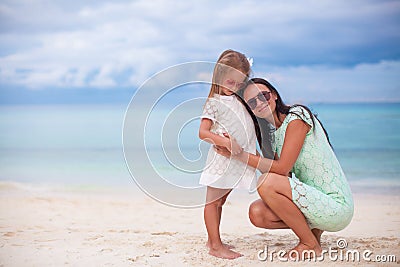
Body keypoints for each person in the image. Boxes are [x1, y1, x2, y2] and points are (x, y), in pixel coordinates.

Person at [215, 77, 354, 259]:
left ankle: (309, 243)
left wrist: (240, 155)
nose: (259, 103)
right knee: (257, 213)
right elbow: (280, 176)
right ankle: (313, 234)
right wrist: (238, 149)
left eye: (263, 96)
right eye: (252, 102)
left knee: (264, 182)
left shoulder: (297, 116)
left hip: (336, 206)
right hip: (314, 203)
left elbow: (281, 170)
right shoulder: (272, 135)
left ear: (273, 95)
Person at [198, 50, 257, 259]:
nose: (235, 87)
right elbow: (203, 132)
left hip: (235, 162)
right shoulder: (214, 102)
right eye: (231, 82)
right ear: (219, 76)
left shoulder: (238, 100)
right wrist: (225, 141)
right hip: (221, 160)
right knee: (212, 203)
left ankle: (213, 239)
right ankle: (215, 245)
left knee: (220, 202)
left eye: (240, 84)